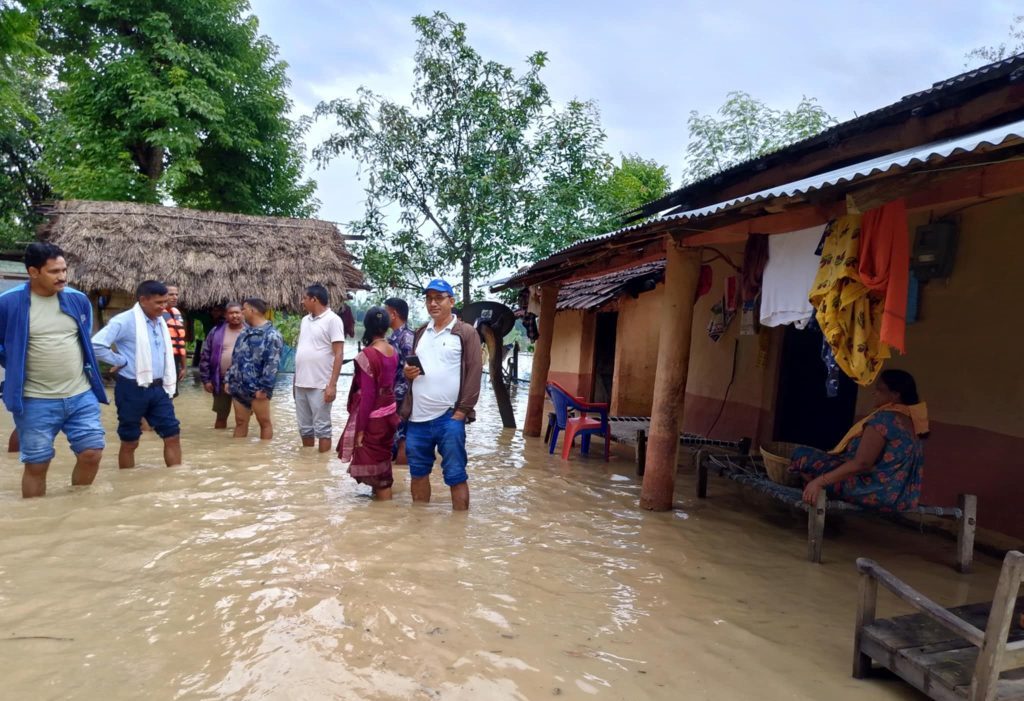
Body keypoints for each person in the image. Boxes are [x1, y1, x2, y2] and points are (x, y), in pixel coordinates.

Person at [0, 243, 108, 497]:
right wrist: (12, 366)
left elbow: (83, 340)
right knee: (37, 463)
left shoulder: (78, 300)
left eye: (64, 269)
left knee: (92, 453)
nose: (62, 276)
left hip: (80, 393)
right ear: (33, 272)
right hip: (34, 399)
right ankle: (37, 522)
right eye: (54, 271)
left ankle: (75, 509)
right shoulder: (8, 304)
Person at [792, 369, 928, 511]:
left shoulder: (884, 419)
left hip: (874, 492)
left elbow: (862, 464)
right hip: (904, 497)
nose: (874, 393)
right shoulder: (913, 422)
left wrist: (819, 482)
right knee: (831, 464)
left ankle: (815, 496)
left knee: (802, 455)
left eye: (880, 389)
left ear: (895, 395)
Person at [401, 279, 482, 511]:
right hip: (417, 420)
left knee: (456, 475)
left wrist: (461, 413)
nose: (433, 303)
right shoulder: (420, 333)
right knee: (417, 474)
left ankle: (459, 534)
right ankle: (420, 526)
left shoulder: (465, 333)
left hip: (449, 418)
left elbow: (474, 373)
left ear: (451, 301)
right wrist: (408, 372)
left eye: (439, 298)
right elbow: (411, 372)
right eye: (429, 298)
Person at [92, 280, 181, 470]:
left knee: (172, 435)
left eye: (165, 302)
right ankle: (127, 484)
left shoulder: (162, 321)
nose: (163, 307)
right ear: (143, 300)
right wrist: (121, 361)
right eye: (159, 303)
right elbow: (96, 345)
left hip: (158, 388)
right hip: (131, 388)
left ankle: (176, 483)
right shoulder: (124, 320)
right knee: (130, 440)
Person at [338, 306, 399, 499]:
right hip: (390, 413)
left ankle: (382, 514)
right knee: (382, 465)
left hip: (374, 418)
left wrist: (361, 430)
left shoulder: (367, 355)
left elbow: (367, 397)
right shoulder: (393, 351)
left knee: (379, 477)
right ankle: (381, 517)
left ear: (366, 326)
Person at [293, 284, 345, 452]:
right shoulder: (304, 320)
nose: (302, 302)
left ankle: (322, 466)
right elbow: (302, 350)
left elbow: (338, 354)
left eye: (305, 298)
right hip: (301, 383)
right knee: (305, 428)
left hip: (321, 384)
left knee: (322, 429)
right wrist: (295, 380)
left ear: (314, 299)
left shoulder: (333, 320)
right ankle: (308, 466)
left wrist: (332, 385)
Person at [224, 298, 283, 440]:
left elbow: (272, 365)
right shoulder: (244, 333)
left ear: (252, 310)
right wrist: (228, 379)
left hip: (258, 389)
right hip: (239, 386)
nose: (241, 313)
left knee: (264, 423)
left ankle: (264, 458)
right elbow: (235, 358)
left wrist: (264, 389)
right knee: (240, 422)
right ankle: (239, 459)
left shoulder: (272, 335)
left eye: (243, 309)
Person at [199, 301, 244, 429]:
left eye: (237, 312)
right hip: (221, 380)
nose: (234, 316)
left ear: (243, 314)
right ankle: (218, 444)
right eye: (231, 313)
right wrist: (206, 380)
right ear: (225, 315)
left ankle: (238, 446)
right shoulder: (216, 332)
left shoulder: (250, 332)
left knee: (242, 417)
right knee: (221, 416)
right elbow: (205, 355)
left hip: (243, 381)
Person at [385, 297, 414, 464]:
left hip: (403, 395)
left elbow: (412, 368)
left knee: (402, 437)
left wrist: (406, 396)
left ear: (393, 314)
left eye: (386, 311)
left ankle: (401, 475)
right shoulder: (393, 337)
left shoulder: (406, 337)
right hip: (393, 393)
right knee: (395, 435)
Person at [163, 284, 188, 384]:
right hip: (163, 357)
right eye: (171, 294)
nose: (175, 297)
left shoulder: (176, 313)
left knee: (173, 390)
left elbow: (180, 342)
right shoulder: (157, 314)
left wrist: (184, 366)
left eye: (176, 294)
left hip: (175, 358)